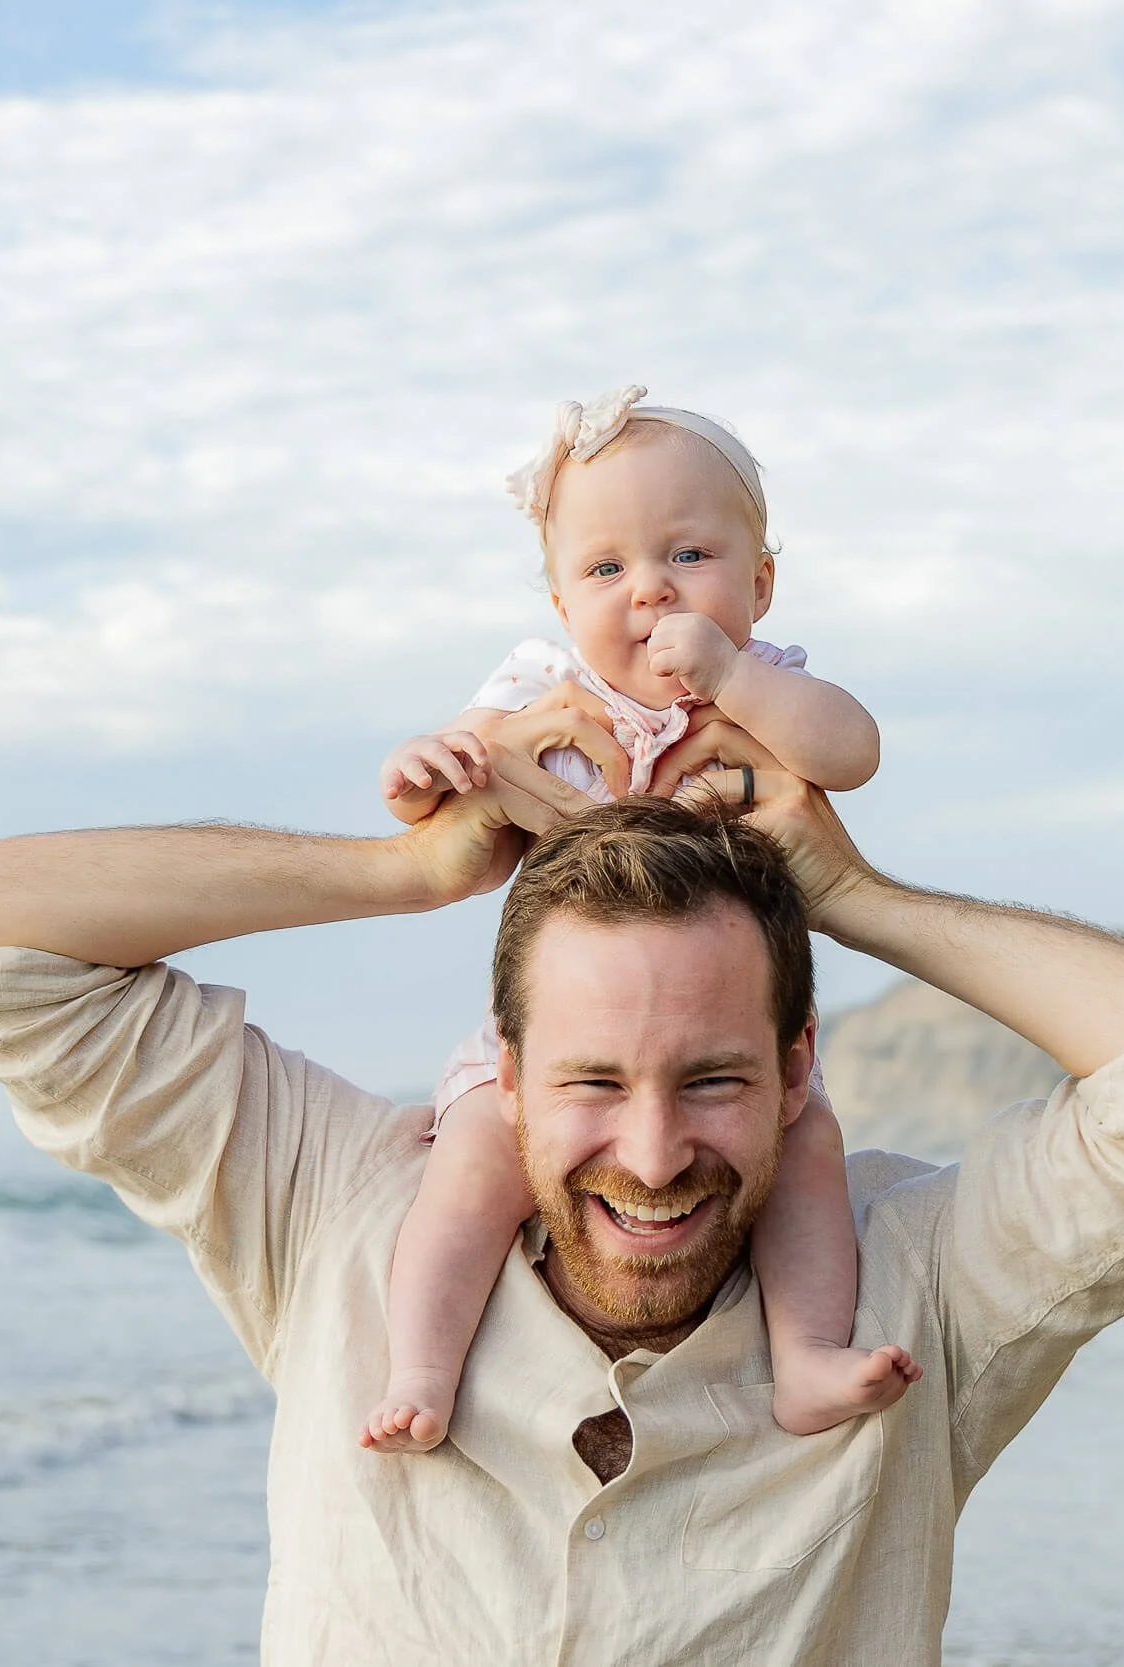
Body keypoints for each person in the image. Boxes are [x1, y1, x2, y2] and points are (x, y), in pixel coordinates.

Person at [0, 746, 1124, 1666]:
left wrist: (852, 895)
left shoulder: (916, 1285)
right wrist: (403, 870)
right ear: (498, 1073)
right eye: (588, 1080)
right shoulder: (338, 1206)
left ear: (797, 1066)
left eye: (711, 1077)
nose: (649, 1151)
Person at [370, 385, 901, 1453]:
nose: (650, 589)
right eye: (606, 568)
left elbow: (852, 751)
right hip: (556, 1034)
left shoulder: (766, 688)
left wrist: (735, 678)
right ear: (563, 604)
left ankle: (805, 1359)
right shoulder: (539, 683)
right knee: (474, 1160)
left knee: (809, 1153)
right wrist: (424, 767)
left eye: (689, 556)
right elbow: (448, 782)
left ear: (759, 580)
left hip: (724, 1032)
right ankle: (420, 1369)